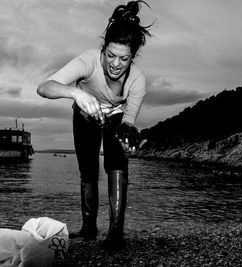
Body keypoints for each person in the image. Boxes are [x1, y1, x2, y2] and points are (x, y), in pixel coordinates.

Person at [37, 1, 151, 249]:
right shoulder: (88, 60)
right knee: (88, 170)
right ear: (103, 49)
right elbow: (44, 88)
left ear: (132, 56)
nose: (115, 64)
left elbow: (128, 122)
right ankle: (89, 228)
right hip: (85, 115)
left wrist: (130, 137)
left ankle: (115, 233)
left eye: (124, 58)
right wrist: (75, 93)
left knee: (117, 164)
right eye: (110, 55)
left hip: (116, 118)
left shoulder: (138, 81)